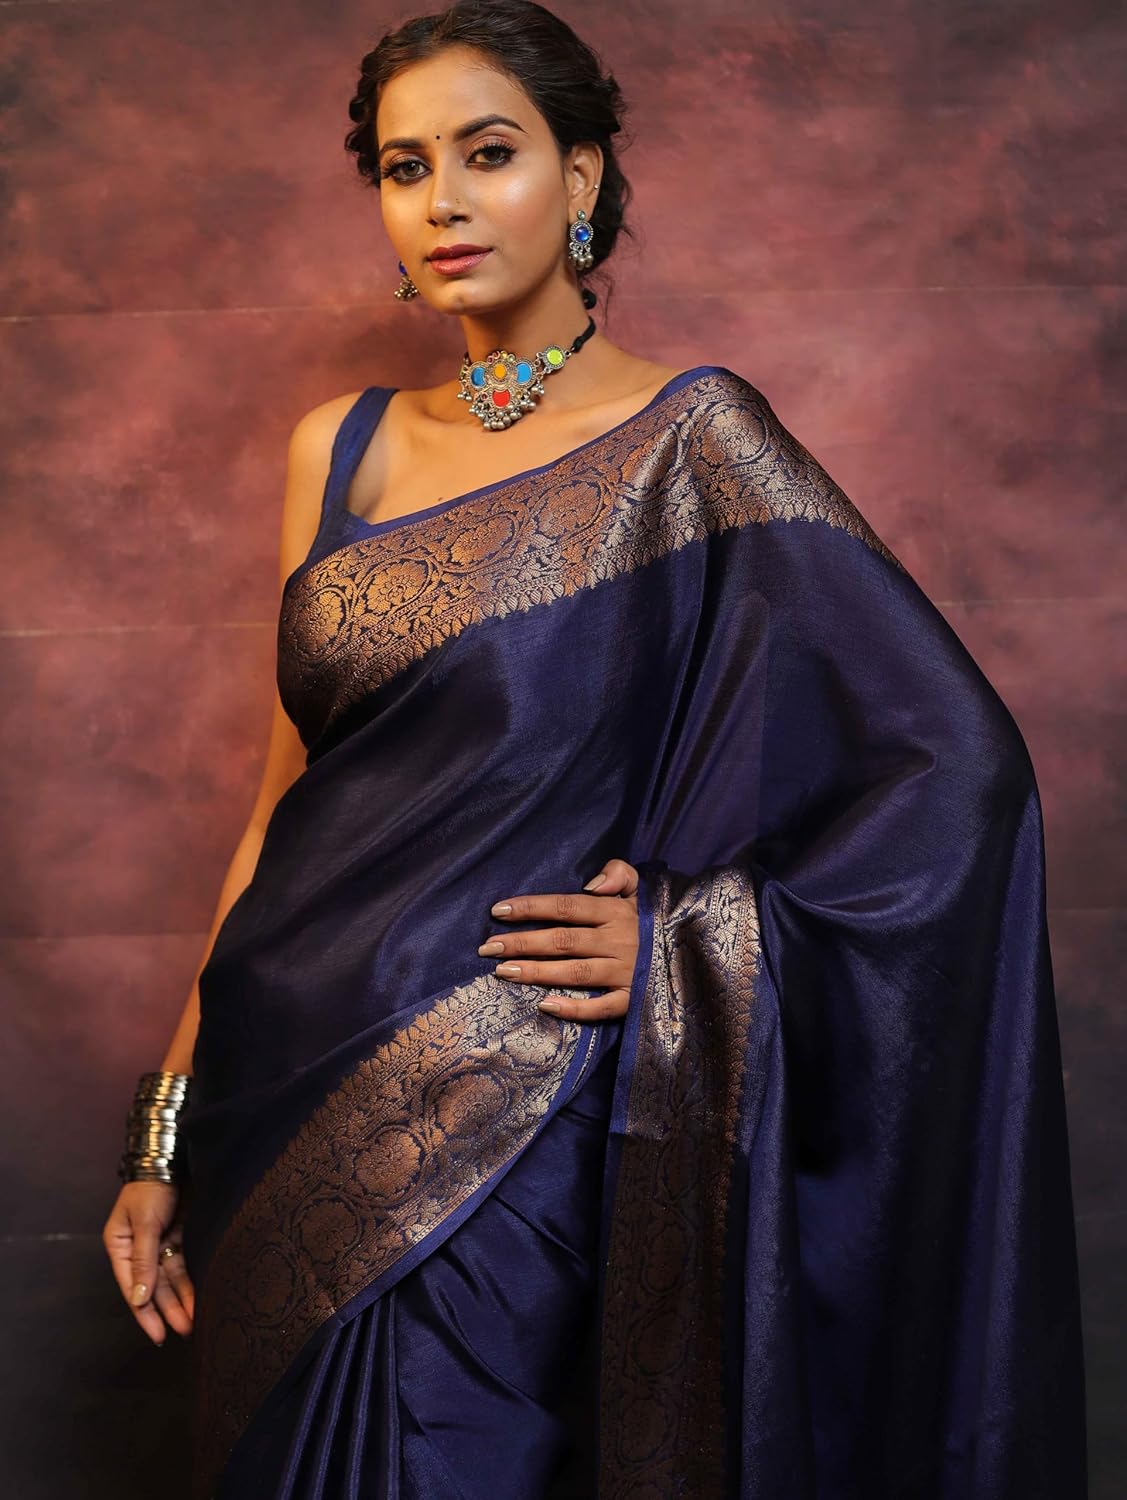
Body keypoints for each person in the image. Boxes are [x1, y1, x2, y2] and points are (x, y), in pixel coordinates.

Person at [101, 2, 1088, 1496]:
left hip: (507, 1131)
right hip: (277, 1102)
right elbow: (275, 814)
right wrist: (165, 1132)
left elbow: (956, 775)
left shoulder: (695, 442)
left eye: (487, 153)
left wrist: (695, 940)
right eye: (404, 166)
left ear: (579, 175)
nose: (443, 200)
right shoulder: (339, 445)